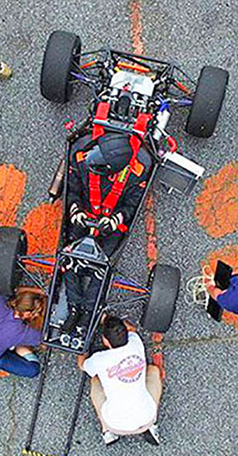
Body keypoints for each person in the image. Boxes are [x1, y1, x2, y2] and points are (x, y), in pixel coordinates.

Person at [59, 132, 151, 336]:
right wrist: (75, 209)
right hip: (83, 216)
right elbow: (72, 189)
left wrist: (116, 219)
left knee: (102, 266)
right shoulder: (82, 157)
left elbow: (132, 205)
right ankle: (74, 307)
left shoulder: (138, 172)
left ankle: (88, 313)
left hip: (111, 224)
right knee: (69, 257)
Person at [77, 314, 162, 446]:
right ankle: (153, 425)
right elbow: (132, 329)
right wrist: (114, 321)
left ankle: (107, 431)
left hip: (115, 424)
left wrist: (82, 347)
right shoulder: (135, 341)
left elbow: (82, 365)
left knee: (94, 381)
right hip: (147, 418)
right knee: (154, 371)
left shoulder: (100, 359)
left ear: (105, 341)